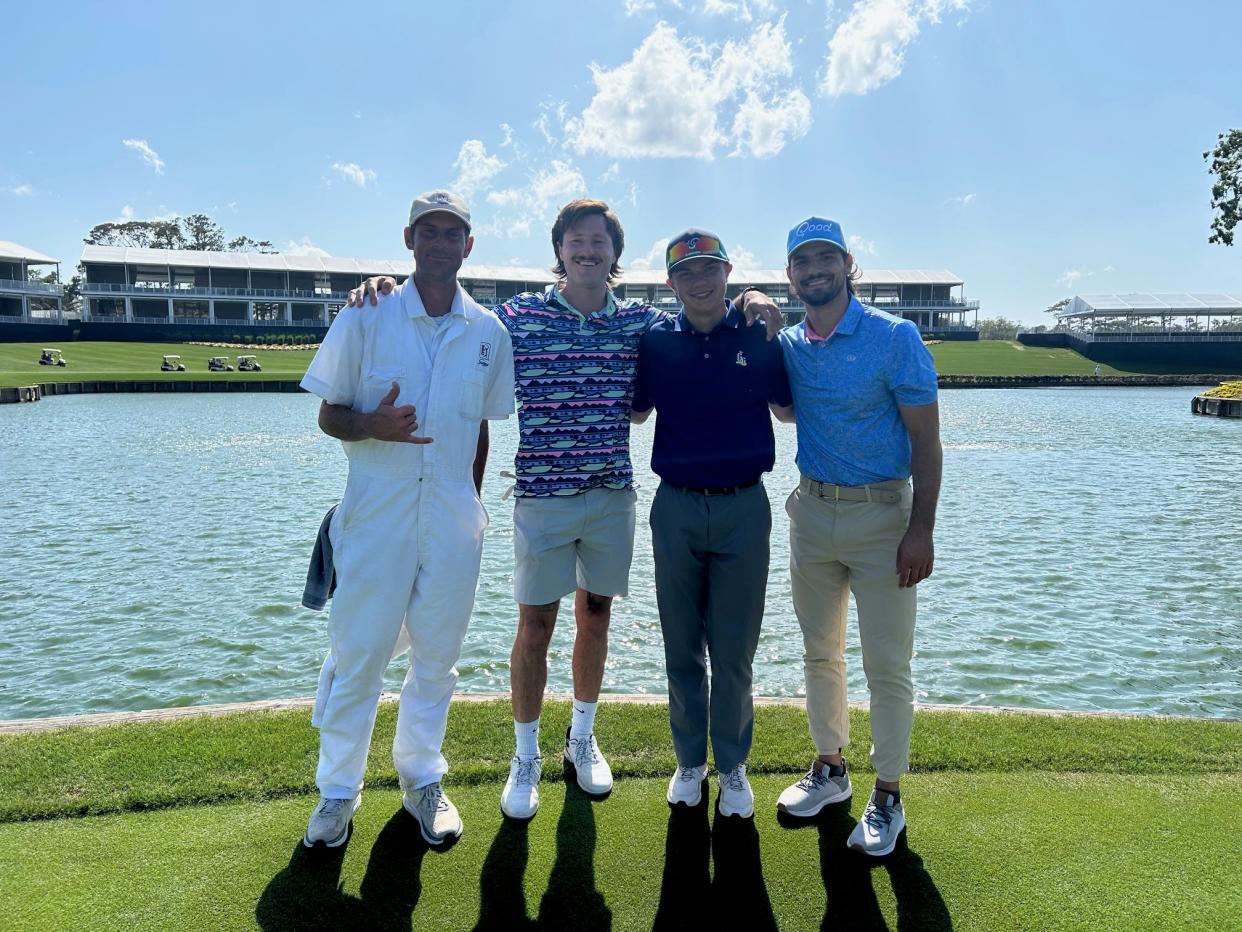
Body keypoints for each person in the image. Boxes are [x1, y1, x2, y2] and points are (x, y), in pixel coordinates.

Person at [348, 200, 782, 821]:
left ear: (613, 254)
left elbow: (703, 307)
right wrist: (389, 287)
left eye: (598, 242)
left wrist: (756, 295)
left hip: (610, 493)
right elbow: (450, 315)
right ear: (559, 251)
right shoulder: (516, 318)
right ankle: (525, 755)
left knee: (596, 616)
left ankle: (581, 739)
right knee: (535, 626)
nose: (587, 251)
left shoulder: (640, 322)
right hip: (541, 498)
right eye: (576, 241)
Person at [299, 190, 515, 849]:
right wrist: (371, 426)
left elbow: (481, 426)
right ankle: (337, 792)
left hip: (452, 514)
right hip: (375, 510)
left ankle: (422, 778)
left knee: (437, 659)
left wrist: (470, 503)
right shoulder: (367, 314)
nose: (442, 242)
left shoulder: (488, 332)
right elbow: (328, 414)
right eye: (430, 230)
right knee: (360, 653)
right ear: (410, 238)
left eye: (454, 232)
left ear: (469, 245)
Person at [772, 217, 942, 857]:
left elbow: (926, 439)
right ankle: (831, 770)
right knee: (821, 652)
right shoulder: (790, 343)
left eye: (825, 259)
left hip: (883, 518)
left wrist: (921, 528)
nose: (815, 270)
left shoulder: (894, 337)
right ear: (791, 275)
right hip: (811, 513)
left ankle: (888, 794)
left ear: (848, 264)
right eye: (802, 262)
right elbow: (785, 406)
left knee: (887, 665)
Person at [631, 229, 793, 819]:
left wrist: (766, 307)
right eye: (687, 272)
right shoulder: (654, 341)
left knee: (733, 650)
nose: (700, 282)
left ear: (728, 273)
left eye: (710, 269)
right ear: (671, 283)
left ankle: (731, 765)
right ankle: (689, 763)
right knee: (681, 646)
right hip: (674, 506)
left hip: (743, 508)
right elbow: (637, 409)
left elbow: (788, 408)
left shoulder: (759, 332)